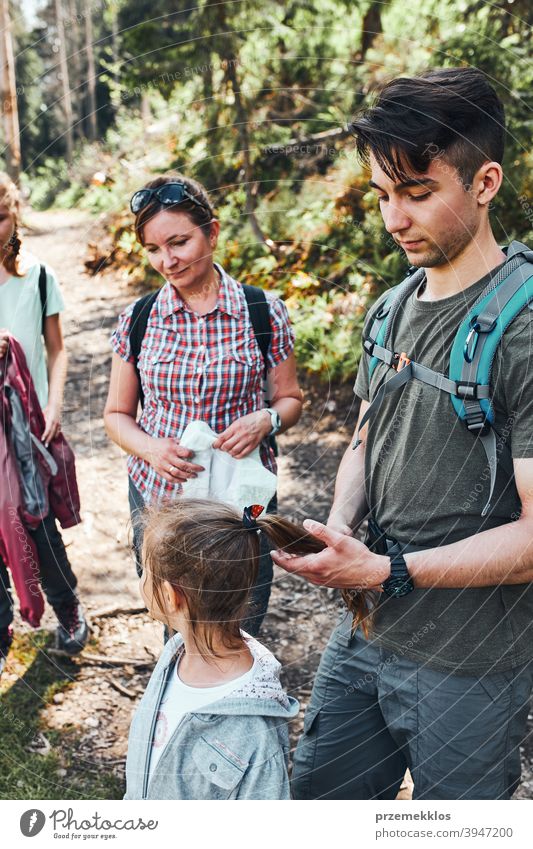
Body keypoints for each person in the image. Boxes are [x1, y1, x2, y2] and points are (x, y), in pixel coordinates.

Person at [272, 67, 533, 800]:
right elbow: (364, 433)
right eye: (384, 195)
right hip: (365, 636)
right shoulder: (390, 307)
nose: (394, 219)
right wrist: (336, 526)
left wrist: (386, 570)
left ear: (484, 183)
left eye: (418, 194)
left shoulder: (523, 329)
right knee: (320, 808)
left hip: (470, 663)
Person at [104, 173, 302, 635]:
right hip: (160, 495)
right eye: (154, 250)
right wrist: (152, 449)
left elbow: (290, 399)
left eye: (178, 242)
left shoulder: (262, 311)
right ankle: (183, 698)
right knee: (176, 616)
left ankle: (238, 698)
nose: (167, 261)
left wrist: (266, 419)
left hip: (243, 497)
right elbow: (116, 416)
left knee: (242, 614)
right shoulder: (138, 319)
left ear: (211, 232)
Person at [124, 498, 321, 800]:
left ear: (169, 595)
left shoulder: (256, 732)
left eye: (145, 572)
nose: (142, 581)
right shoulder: (174, 654)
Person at [0, 172, 87, 674]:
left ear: (15, 215)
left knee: (37, 525)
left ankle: (68, 610)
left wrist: (53, 404)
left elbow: (57, 350)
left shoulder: (36, 277)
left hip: (29, 426)